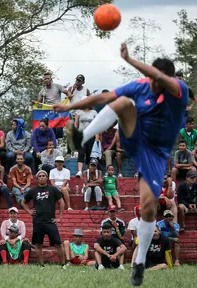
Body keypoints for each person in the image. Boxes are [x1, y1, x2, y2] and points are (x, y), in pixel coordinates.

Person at [54, 43, 189, 286]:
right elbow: (105, 97)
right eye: (150, 78)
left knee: (148, 207)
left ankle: (138, 265)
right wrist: (69, 106)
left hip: (157, 155)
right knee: (123, 103)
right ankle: (80, 138)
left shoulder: (179, 90)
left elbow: (159, 76)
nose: (152, 83)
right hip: (135, 138)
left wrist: (131, 60)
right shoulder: (142, 85)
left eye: (156, 79)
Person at [21, 170, 66, 268]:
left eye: (43, 175)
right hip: (37, 222)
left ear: (47, 178)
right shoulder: (33, 191)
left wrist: (60, 217)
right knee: (38, 245)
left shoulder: (53, 189)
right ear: (37, 179)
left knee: (58, 244)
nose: (42, 177)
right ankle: (41, 266)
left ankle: (63, 265)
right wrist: (29, 211)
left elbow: (62, 202)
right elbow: (23, 202)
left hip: (50, 221)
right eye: (40, 176)